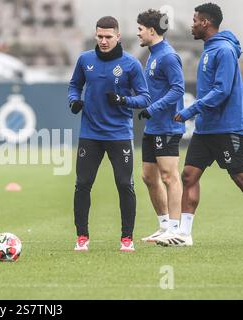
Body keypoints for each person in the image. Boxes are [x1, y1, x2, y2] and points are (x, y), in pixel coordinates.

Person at [68, 16, 151, 252]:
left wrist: (124, 100)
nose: (103, 41)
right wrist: (74, 100)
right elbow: (74, 85)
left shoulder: (131, 64)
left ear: (117, 36)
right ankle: (82, 237)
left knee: (125, 184)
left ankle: (127, 238)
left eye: (108, 37)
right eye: (100, 36)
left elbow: (145, 98)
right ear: (96, 35)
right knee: (82, 184)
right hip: (90, 134)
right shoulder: (85, 60)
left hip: (119, 135)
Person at [168, 3, 243, 246]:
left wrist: (191, 109)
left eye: (195, 20)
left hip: (226, 128)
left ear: (206, 23)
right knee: (189, 176)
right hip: (205, 129)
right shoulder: (209, 49)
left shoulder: (224, 51)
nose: (192, 24)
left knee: (239, 178)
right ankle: (184, 234)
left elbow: (221, 91)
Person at [136, 9, 186, 245]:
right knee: (148, 176)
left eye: (140, 29)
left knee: (169, 176)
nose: (138, 33)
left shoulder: (167, 56)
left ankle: (175, 231)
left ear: (151, 30)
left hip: (167, 126)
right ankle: (164, 225)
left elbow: (178, 89)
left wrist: (153, 108)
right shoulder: (153, 54)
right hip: (153, 126)